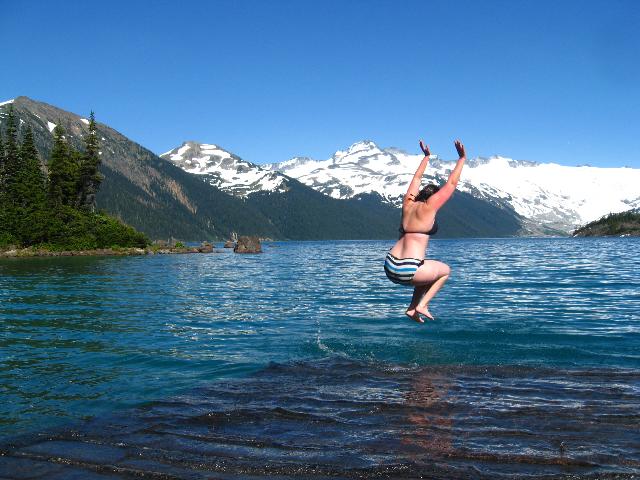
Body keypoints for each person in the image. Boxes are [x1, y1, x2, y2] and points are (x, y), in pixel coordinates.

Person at [384, 139, 467, 323]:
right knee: (445, 271)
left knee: (424, 267)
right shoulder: (430, 207)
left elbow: (416, 179)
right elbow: (452, 183)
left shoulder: (408, 203)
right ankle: (422, 305)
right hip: (408, 269)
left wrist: (426, 157)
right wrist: (462, 158)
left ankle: (412, 308)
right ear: (433, 198)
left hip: (390, 266)